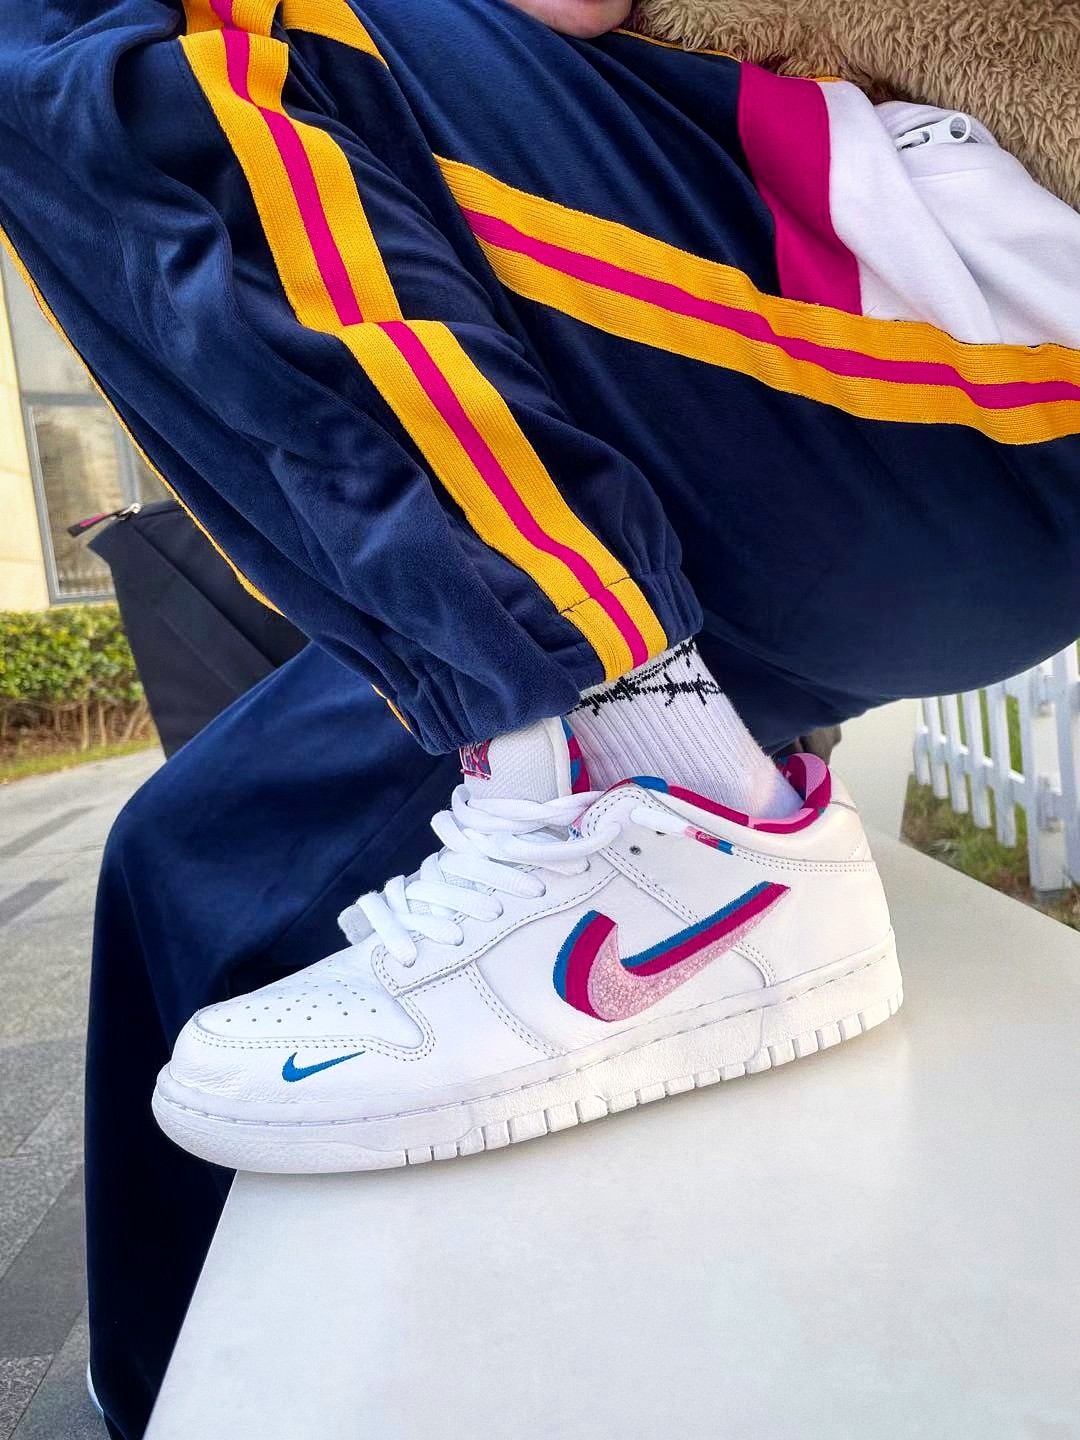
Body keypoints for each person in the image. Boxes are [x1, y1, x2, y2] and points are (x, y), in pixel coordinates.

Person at [1, 0, 1078, 1434]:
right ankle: (148, 1397)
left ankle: (666, 782)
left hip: (956, 351)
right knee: (192, 857)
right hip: (772, 441)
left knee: (99, 33)